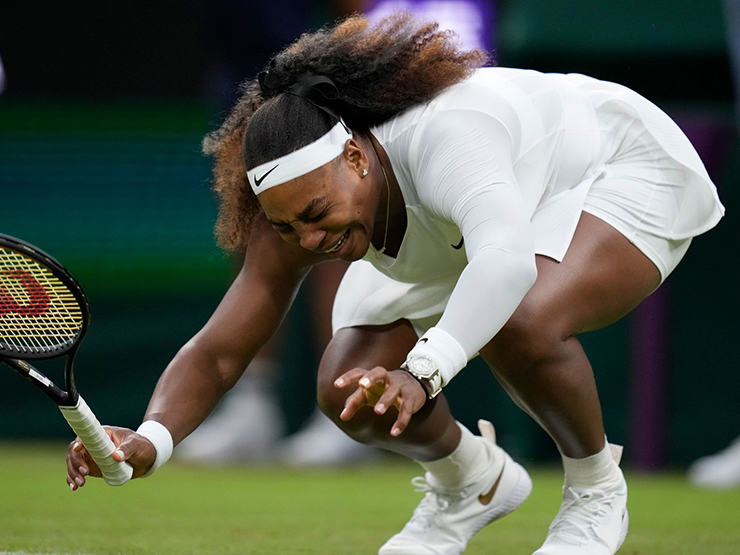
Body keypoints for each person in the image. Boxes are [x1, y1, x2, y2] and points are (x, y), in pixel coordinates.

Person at [66, 13, 725, 555]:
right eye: (290, 227)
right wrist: (151, 438)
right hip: (477, 223)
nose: (309, 240)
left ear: (356, 156)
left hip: (616, 165)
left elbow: (504, 264)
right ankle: (471, 482)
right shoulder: (293, 209)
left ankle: (596, 492)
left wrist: (423, 370)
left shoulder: (447, 138)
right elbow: (218, 351)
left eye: (317, 214)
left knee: (517, 318)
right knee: (346, 386)